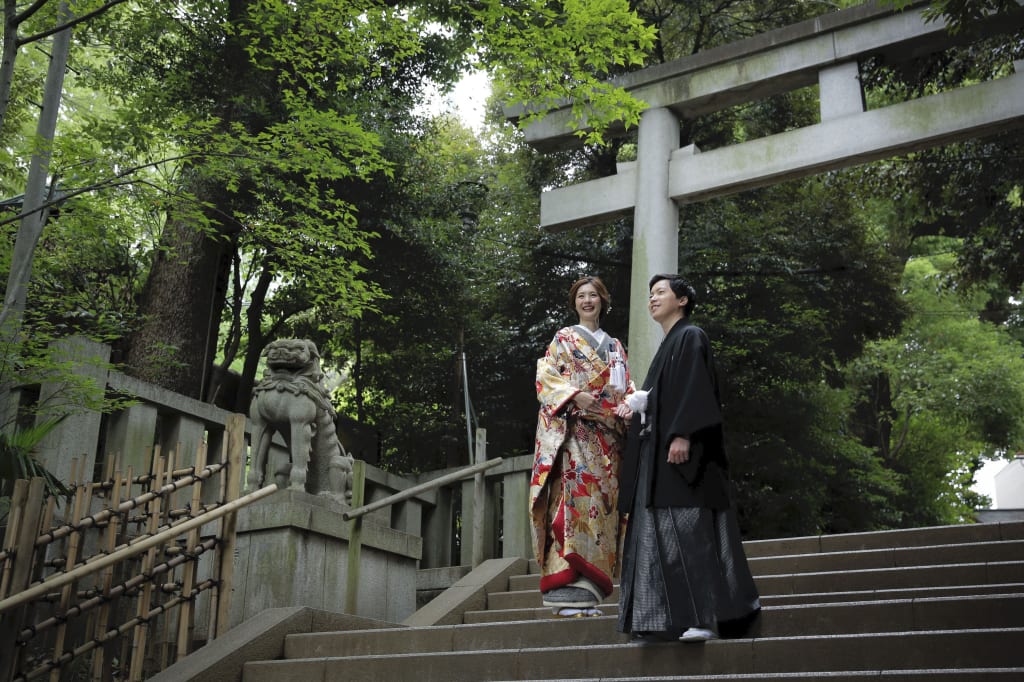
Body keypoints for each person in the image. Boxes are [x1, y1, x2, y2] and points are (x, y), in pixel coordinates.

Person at [616, 273, 760, 642]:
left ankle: (705, 618)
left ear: (682, 300)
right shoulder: (668, 344)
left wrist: (683, 432)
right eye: (650, 294)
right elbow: (665, 394)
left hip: (684, 454)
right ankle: (660, 620)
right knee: (660, 534)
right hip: (658, 458)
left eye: (660, 292)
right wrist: (640, 405)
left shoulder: (691, 336)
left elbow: (696, 388)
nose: (652, 299)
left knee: (690, 531)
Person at [530, 275, 634, 617]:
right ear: (574, 303)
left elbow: (627, 386)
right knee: (572, 506)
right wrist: (575, 394)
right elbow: (546, 377)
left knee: (603, 512)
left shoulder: (615, 345)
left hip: (609, 438)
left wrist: (628, 405)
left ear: (603, 301)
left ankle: (590, 593)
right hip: (577, 433)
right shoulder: (564, 338)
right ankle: (564, 591)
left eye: (593, 295)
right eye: (581, 296)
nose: (587, 301)